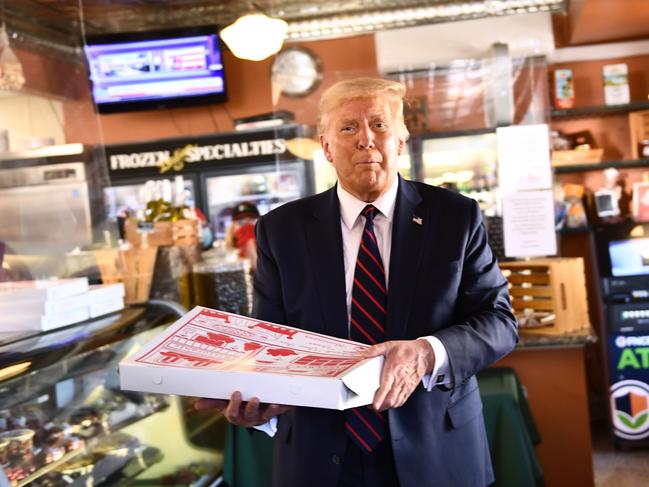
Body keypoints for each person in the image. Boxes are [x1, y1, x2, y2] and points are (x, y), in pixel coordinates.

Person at [197, 78, 518, 487]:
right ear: (326, 146)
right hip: (318, 453)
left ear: (401, 141)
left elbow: (499, 322)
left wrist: (426, 353)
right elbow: (271, 341)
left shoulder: (456, 217)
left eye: (380, 126)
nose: (366, 140)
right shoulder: (281, 230)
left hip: (436, 447)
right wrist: (257, 400)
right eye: (348, 128)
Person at [225, 202, 260, 269]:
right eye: (240, 222)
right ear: (232, 228)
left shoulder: (271, 250)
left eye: (252, 220)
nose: (247, 225)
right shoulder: (228, 256)